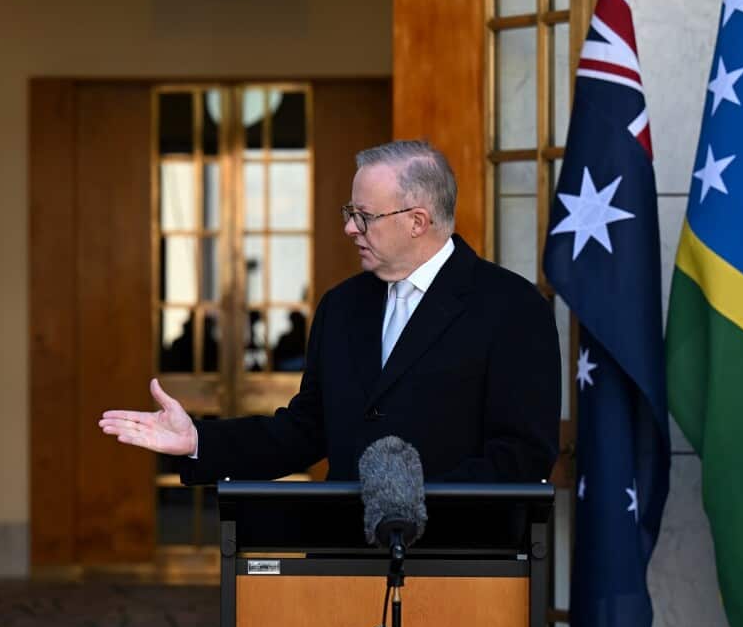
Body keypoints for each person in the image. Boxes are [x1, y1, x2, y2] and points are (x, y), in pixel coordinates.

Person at [99, 140, 560, 483]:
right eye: (349, 212)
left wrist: (412, 504)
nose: (348, 228)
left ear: (417, 221)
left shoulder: (512, 310)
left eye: (364, 216)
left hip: (462, 570)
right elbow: (305, 431)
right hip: (343, 561)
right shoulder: (342, 306)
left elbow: (522, 455)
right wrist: (199, 440)